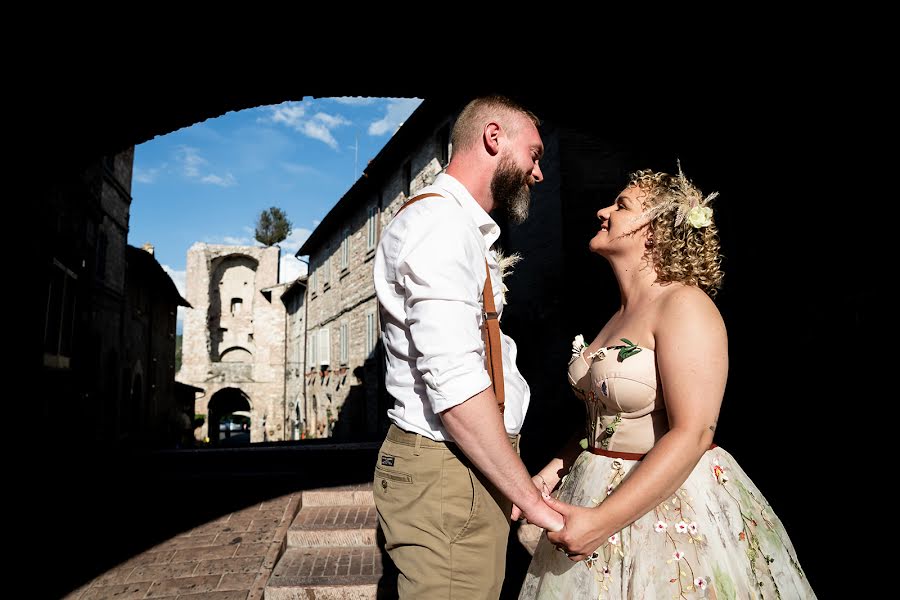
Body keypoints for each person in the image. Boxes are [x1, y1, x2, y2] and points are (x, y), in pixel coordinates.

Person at [518, 165, 816, 598]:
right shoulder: (617, 316)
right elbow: (604, 417)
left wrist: (602, 522)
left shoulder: (684, 305)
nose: (603, 211)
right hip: (593, 486)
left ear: (654, 232)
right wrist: (549, 474)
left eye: (621, 206)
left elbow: (694, 431)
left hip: (668, 506)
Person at [373, 95, 565, 599]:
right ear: (494, 137)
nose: (539, 172)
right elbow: (456, 384)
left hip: (465, 467)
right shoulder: (439, 226)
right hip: (448, 470)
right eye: (535, 153)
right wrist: (531, 499)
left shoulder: (457, 228)